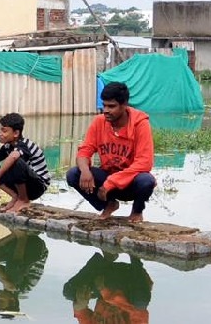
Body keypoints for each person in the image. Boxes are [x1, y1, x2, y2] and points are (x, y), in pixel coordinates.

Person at [65, 81, 156, 223]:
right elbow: (85, 150)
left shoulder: (140, 124)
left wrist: (111, 182)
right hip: (107, 179)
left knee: (146, 181)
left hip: (129, 182)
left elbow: (144, 163)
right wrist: (85, 171)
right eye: (104, 105)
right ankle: (109, 204)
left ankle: (137, 211)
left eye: (111, 106)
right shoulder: (99, 122)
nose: (106, 110)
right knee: (73, 174)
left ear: (124, 105)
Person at [62, 251, 153, 324]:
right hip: (130, 284)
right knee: (140, 302)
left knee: (70, 293)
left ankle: (107, 258)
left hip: (104, 283)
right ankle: (135, 256)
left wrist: (80, 305)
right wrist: (106, 293)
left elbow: (83, 316)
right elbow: (139, 314)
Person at [0, 112, 51, 214]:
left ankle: (23, 200)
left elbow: (14, 157)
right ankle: (15, 197)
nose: (0, 134)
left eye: (4, 131)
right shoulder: (7, 146)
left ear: (16, 133)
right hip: (20, 184)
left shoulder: (24, 145)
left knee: (15, 161)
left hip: (37, 186)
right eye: (0, 130)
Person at [0, 231, 49, 319]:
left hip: (22, 251)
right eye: (1, 302)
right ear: (12, 300)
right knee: (13, 272)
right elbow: (11, 283)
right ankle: (21, 237)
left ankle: (16, 235)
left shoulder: (7, 282)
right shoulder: (21, 287)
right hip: (36, 248)